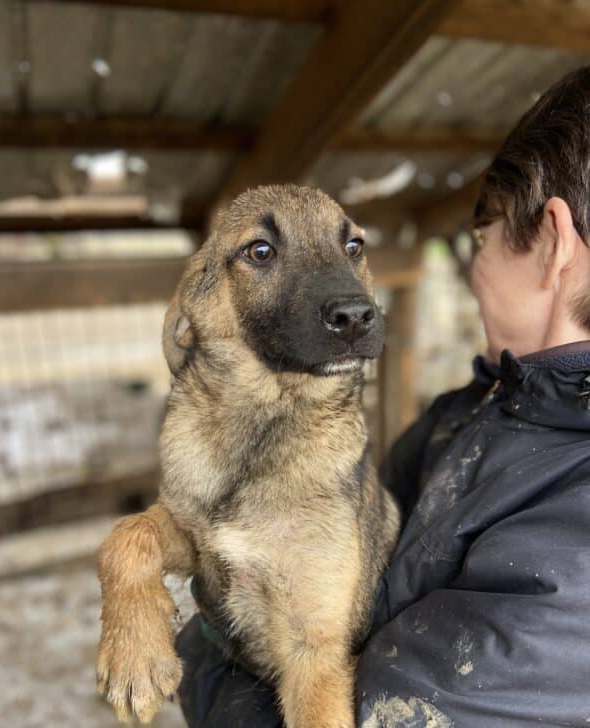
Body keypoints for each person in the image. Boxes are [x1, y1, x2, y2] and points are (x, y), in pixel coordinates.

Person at [175, 66, 590, 726]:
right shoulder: (473, 410)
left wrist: (206, 650)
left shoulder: (576, 542)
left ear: (553, 245)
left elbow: (368, 710)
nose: (473, 269)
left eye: (479, 242)